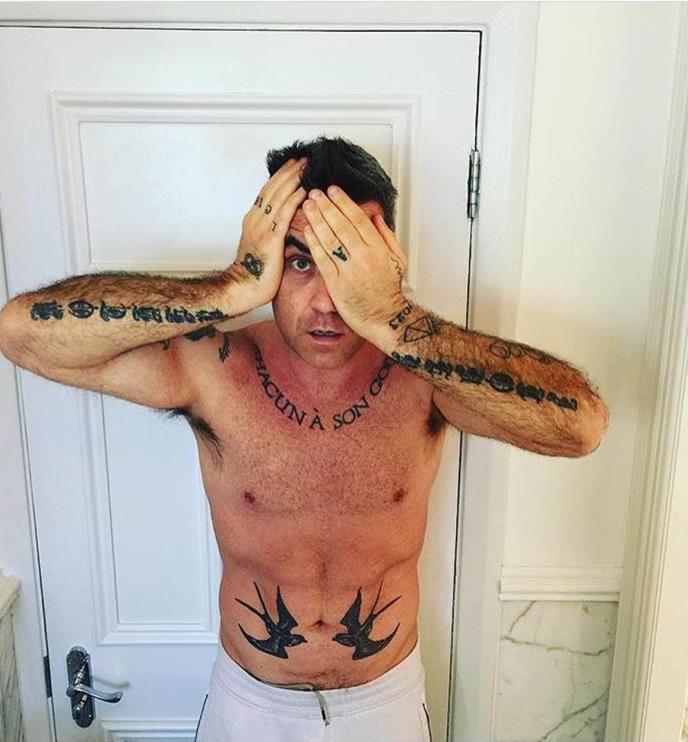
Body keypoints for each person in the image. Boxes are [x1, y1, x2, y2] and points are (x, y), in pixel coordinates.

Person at [0, 135, 609, 742]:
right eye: (300, 262)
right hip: (249, 704)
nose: (326, 302)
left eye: (347, 261)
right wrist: (228, 286)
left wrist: (394, 318)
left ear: (388, 261)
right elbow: (21, 333)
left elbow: (581, 426)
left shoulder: (426, 376)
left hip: (385, 704)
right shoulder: (216, 370)